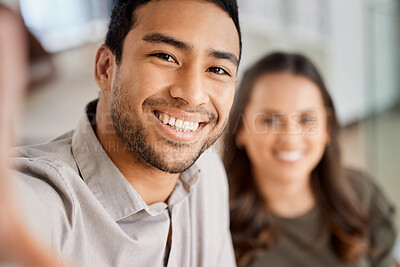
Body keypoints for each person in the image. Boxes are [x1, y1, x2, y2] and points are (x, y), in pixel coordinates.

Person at [0, 0, 242, 266]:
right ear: (105, 67)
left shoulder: (208, 173)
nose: (193, 95)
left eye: (218, 70)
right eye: (165, 56)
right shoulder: (47, 199)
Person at [224, 52, 397, 267]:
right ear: (240, 129)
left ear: (326, 128)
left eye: (307, 120)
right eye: (270, 120)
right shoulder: (214, 217)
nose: (290, 139)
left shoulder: (359, 194)